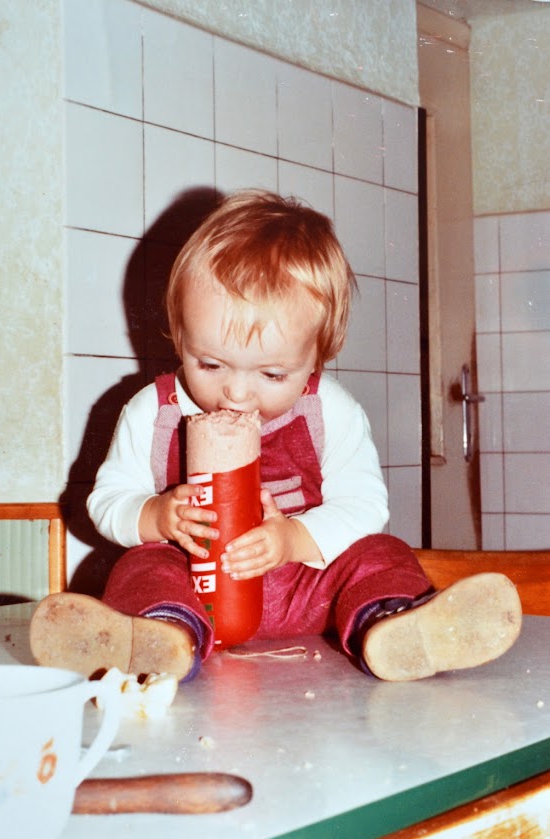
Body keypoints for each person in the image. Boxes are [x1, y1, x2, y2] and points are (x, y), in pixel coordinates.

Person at [30, 190, 522, 683]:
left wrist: (294, 539)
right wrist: (155, 516)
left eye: (272, 375)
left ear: (316, 358)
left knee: (380, 552)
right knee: (141, 567)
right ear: (179, 335)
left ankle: (394, 626)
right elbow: (106, 500)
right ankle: (161, 639)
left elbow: (365, 506)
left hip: (307, 592)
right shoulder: (150, 412)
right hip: (195, 591)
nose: (236, 393)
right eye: (210, 364)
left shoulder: (330, 411)